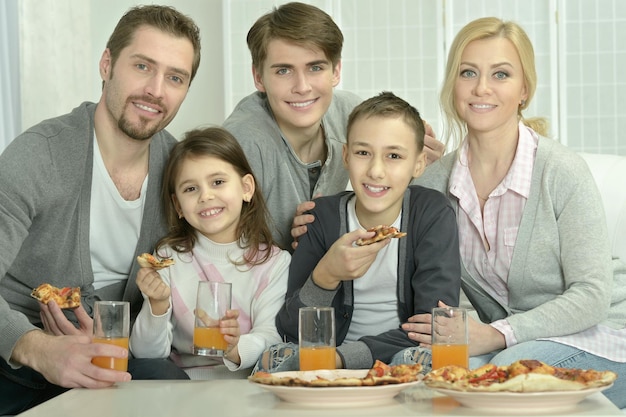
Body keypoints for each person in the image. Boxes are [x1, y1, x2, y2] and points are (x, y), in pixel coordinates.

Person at [397, 17, 626, 409]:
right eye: (468, 72)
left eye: (500, 74)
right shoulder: (434, 183)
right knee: (412, 365)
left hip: (598, 338)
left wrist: (498, 334)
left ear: (524, 89)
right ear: (454, 84)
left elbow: (591, 296)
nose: (481, 88)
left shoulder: (559, 171)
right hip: (505, 342)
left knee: (501, 372)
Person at [0, 5, 201, 414]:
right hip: (18, 364)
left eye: (175, 78)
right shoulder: (38, 156)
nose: (156, 90)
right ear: (107, 64)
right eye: (142, 66)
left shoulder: (180, 171)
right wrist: (36, 348)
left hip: (116, 363)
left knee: (184, 397)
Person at [254, 91, 461, 372]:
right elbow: (291, 328)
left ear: (419, 163)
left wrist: (342, 358)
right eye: (363, 153)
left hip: (396, 355)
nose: (376, 171)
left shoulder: (431, 213)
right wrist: (326, 275)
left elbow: (433, 326)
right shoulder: (321, 217)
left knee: (421, 358)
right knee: (278, 355)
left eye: (394, 156)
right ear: (346, 156)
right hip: (323, 357)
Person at [223, 2, 444, 251]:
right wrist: (307, 250)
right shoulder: (242, 144)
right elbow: (222, 254)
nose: (302, 87)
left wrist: (419, 167)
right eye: (284, 71)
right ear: (259, 78)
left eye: (315, 67)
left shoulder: (350, 115)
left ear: (336, 70)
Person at [129, 127, 290, 380]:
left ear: (246, 188)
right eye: (191, 189)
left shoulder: (274, 263)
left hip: (249, 387)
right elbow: (145, 355)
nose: (206, 196)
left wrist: (234, 346)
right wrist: (157, 305)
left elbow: (271, 338)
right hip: (181, 388)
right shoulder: (168, 258)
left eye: (218, 182)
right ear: (178, 206)